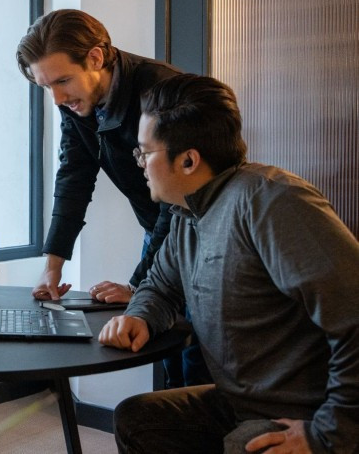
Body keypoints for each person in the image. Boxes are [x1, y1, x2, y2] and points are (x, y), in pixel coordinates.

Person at [99, 74, 359, 453]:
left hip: (303, 412)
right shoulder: (188, 214)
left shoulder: (271, 201)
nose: (139, 164)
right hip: (238, 404)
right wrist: (140, 315)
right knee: (137, 419)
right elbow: (160, 285)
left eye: (144, 153)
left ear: (188, 160)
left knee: (243, 444)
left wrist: (328, 434)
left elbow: (354, 313)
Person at [16, 8, 210, 388]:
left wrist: (140, 286)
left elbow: (180, 202)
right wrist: (53, 266)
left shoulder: (161, 91)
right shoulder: (76, 102)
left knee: (198, 358)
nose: (56, 98)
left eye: (62, 81)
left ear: (95, 57)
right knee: (168, 355)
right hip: (157, 229)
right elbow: (73, 176)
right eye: (46, 87)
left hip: (199, 234)